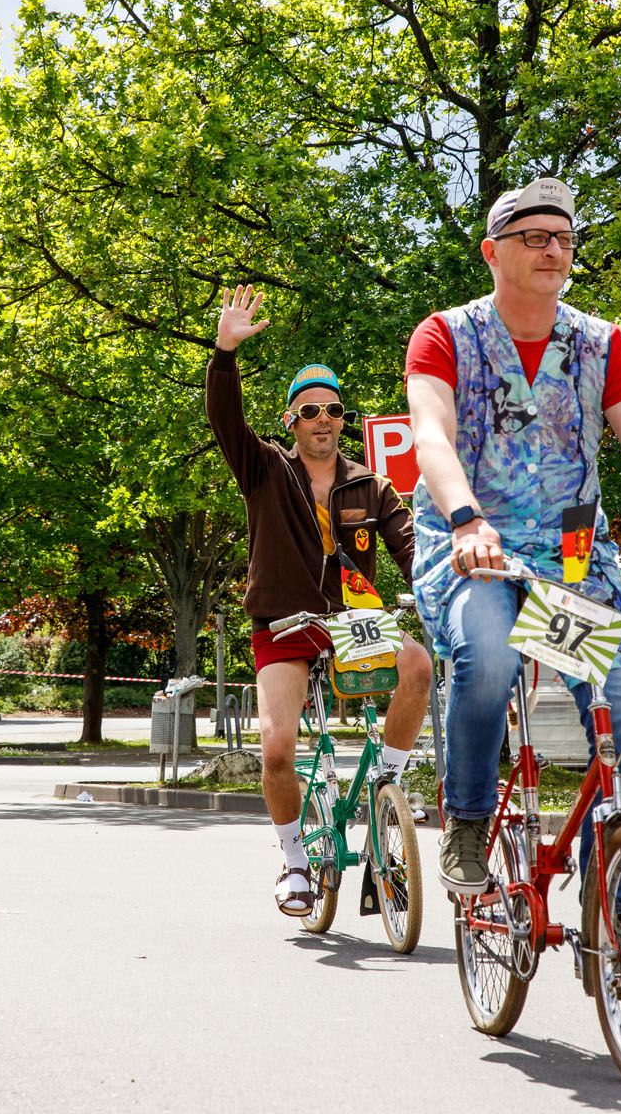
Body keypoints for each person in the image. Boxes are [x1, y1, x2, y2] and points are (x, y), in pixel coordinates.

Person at [404, 176, 621, 896]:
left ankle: (606, 883)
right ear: (493, 251)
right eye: (536, 238)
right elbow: (432, 436)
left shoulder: (601, 343)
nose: (556, 251)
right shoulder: (445, 334)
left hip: (568, 562)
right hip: (476, 555)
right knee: (485, 661)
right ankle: (468, 818)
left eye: (566, 239)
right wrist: (466, 520)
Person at [207, 285, 434, 917]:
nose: (323, 420)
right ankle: (294, 861)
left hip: (354, 619)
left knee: (418, 665)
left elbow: (411, 546)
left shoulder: (372, 483)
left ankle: (388, 779)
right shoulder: (264, 469)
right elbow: (225, 420)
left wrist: (440, 585)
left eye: (333, 410)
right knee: (278, 748)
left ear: (343, 418)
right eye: (309, 411)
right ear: (291, 422)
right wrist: (225, 352)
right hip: (283, 621)